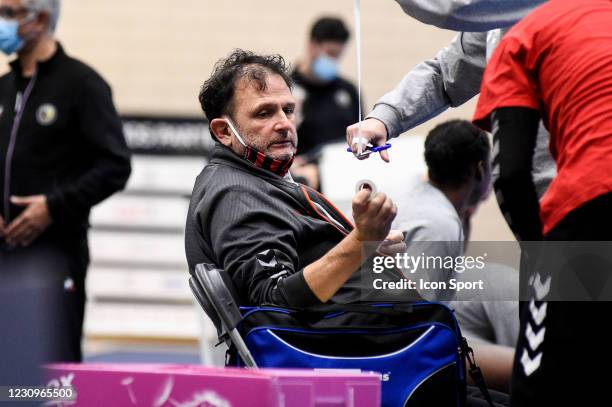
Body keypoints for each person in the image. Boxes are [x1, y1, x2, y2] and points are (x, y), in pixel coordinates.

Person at [185, 49, 405, 309]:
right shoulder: (237, 194)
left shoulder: (258, 180)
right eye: (264, 113)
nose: (284, 124)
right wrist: (359, 243)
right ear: (224, 131)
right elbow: (275, 300)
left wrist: (368, 248)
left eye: (288, 110)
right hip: (350, 345)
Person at [472, 1, 612, 405]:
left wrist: (542, 256)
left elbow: (512, 175)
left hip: (591, 203)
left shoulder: (519, 35)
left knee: (542, 380)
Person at [0, 0, 132, 361]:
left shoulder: (83, 85)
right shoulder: (4, 87)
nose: (2, 23)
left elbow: (116, 165)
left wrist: (53, 206)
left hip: (56, 255)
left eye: (9, 13)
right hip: (3, 256)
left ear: (40, 18)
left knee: (53, 363)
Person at [345, 0, 554, 200]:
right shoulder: (501, 24)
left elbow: (454, 7)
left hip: (572, 197)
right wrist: (384, 118)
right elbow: (447, 74)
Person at [393, 120, 517, 391]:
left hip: (400, 333)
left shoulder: (418, 192)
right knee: (528, 368)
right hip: (403, 355)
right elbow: (417, 325)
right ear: (481, 169)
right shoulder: (439, 224)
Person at [291, 17, 360, 191]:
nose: (333, 61)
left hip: (342, 181)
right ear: (312, 46)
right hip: (302, 184)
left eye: (338, 55)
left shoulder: (348, 91)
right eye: (330, 53)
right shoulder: (287, 90)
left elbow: (361, 136)